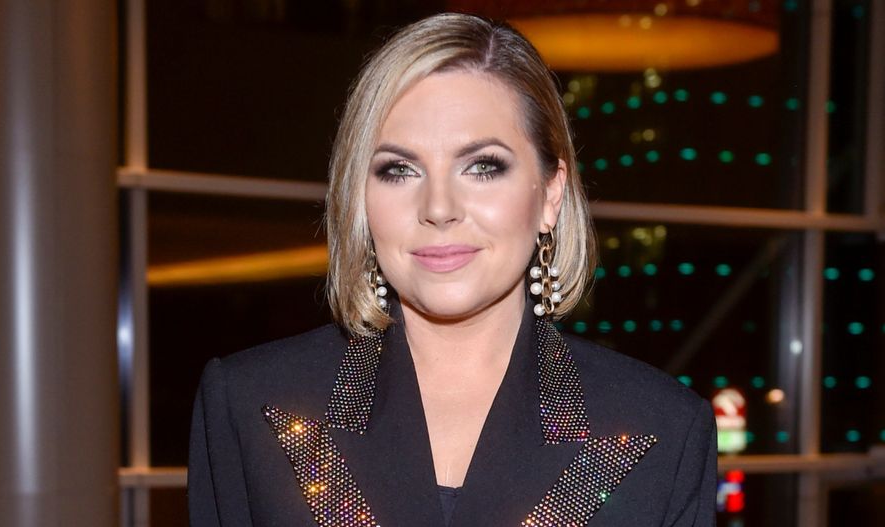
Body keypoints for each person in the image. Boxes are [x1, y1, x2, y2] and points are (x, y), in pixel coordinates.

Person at [188, 12, 716, 527]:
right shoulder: (248, 402)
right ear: (360, 196)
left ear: (550, 194)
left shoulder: (664, 428)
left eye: (482, 167)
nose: (439, 208)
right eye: (399, 170)